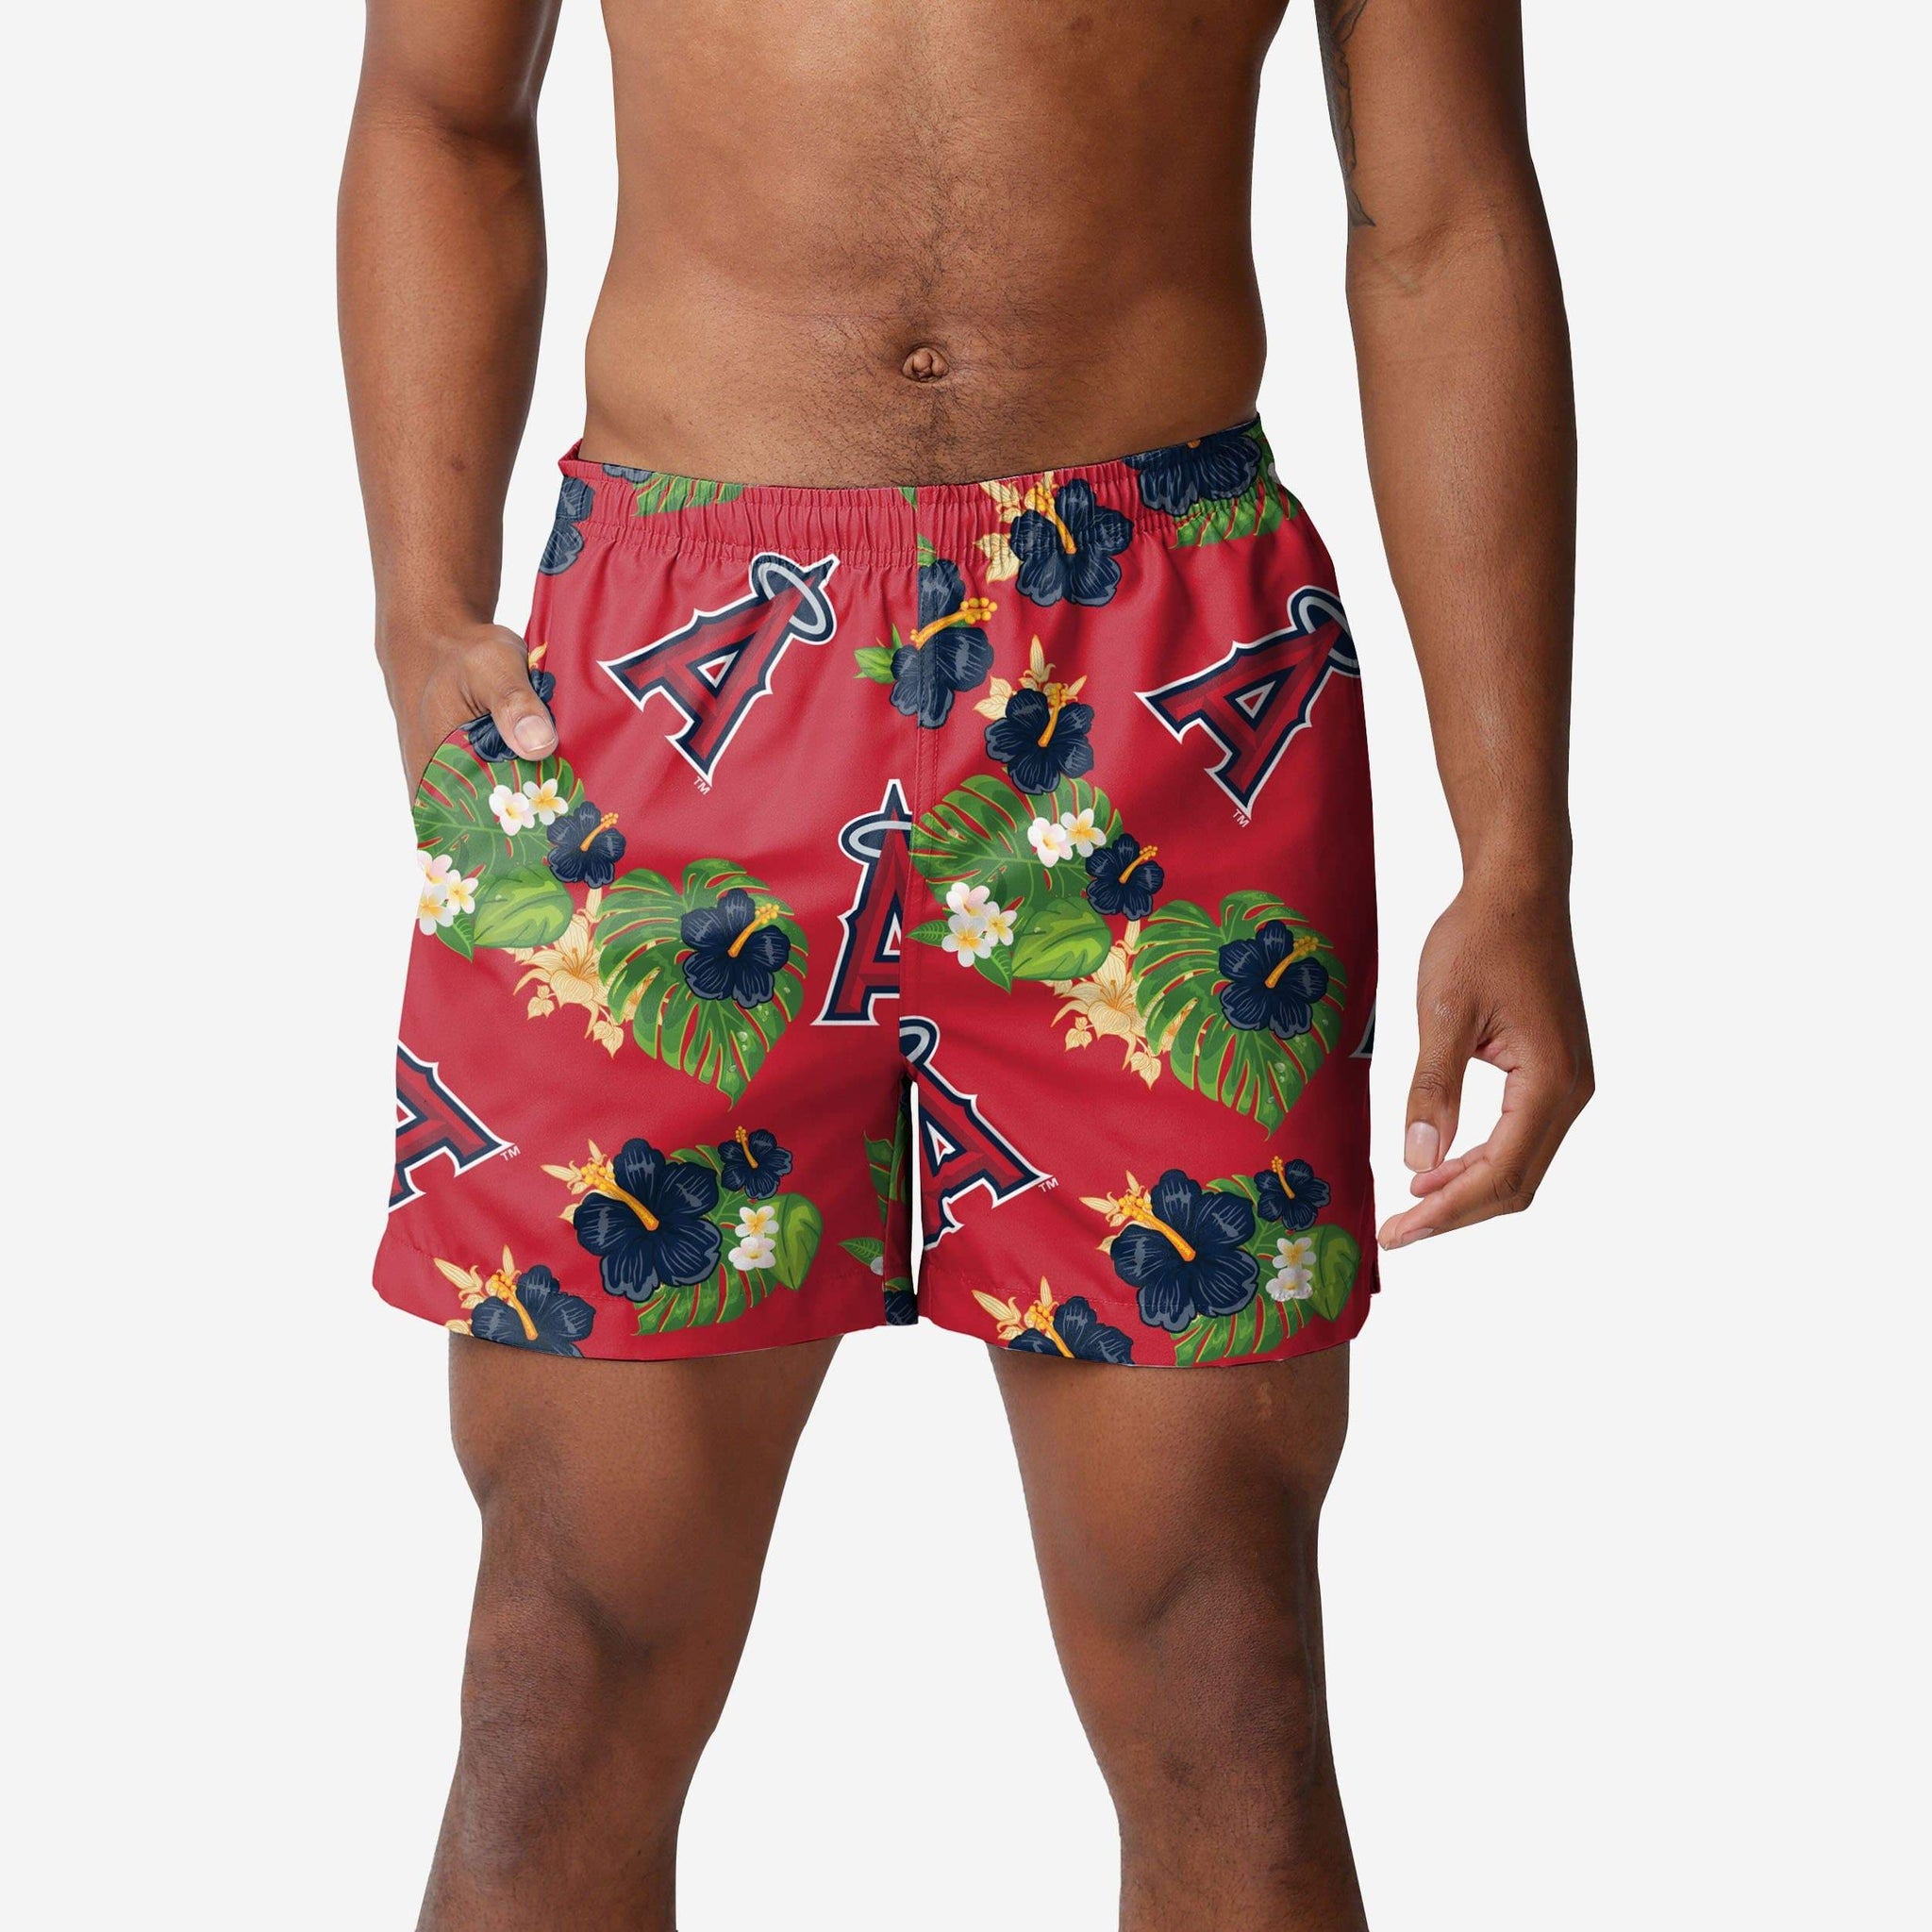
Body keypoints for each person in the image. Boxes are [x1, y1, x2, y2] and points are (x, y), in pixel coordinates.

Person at [341, 0, 1592, 1923]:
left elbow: (1439, 217)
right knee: (566, 1658)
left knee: (1224, 1661)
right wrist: (421, 602)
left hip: (1163, 684)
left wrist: (1515, 850)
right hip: (665, 689)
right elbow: (440, 111)